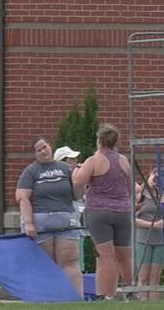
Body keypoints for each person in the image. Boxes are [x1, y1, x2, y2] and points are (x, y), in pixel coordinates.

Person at [73, 123, 133, 299]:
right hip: (122, 211)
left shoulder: (94, 160)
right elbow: (130, 186)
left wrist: (76, 170)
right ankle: (133, 291)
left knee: (106, 256)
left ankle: (106, 295)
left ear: (99, 140)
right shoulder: (123, 160)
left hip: (99, 211)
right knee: (124, 256)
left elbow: (78, 182)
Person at [16, 139, 83, 295]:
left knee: (70, 260)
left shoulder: (65, 168)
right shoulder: (30, 171)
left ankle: (75, 298)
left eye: (44, 147)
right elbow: (22, 197)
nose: (43, 151)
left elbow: (78, 195)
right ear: (34, 154)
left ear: (50, 147)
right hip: (41, 222)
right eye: (39, 150)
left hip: (66, 219)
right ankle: (47, 298)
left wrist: (80, 180)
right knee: (45, 263)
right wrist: (28, 223)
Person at [134, 169, 164, 301]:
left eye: (159, 180)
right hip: (143, 238)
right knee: (143, 276)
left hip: (159, 239)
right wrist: (152, 225)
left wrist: (163, 205)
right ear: (149, 176)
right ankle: (142, 301)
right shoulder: (140, 195)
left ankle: (154, 304)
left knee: (155, 277)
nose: (155, 181)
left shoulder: (163, 195)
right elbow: (132, 219)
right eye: (154, 178)